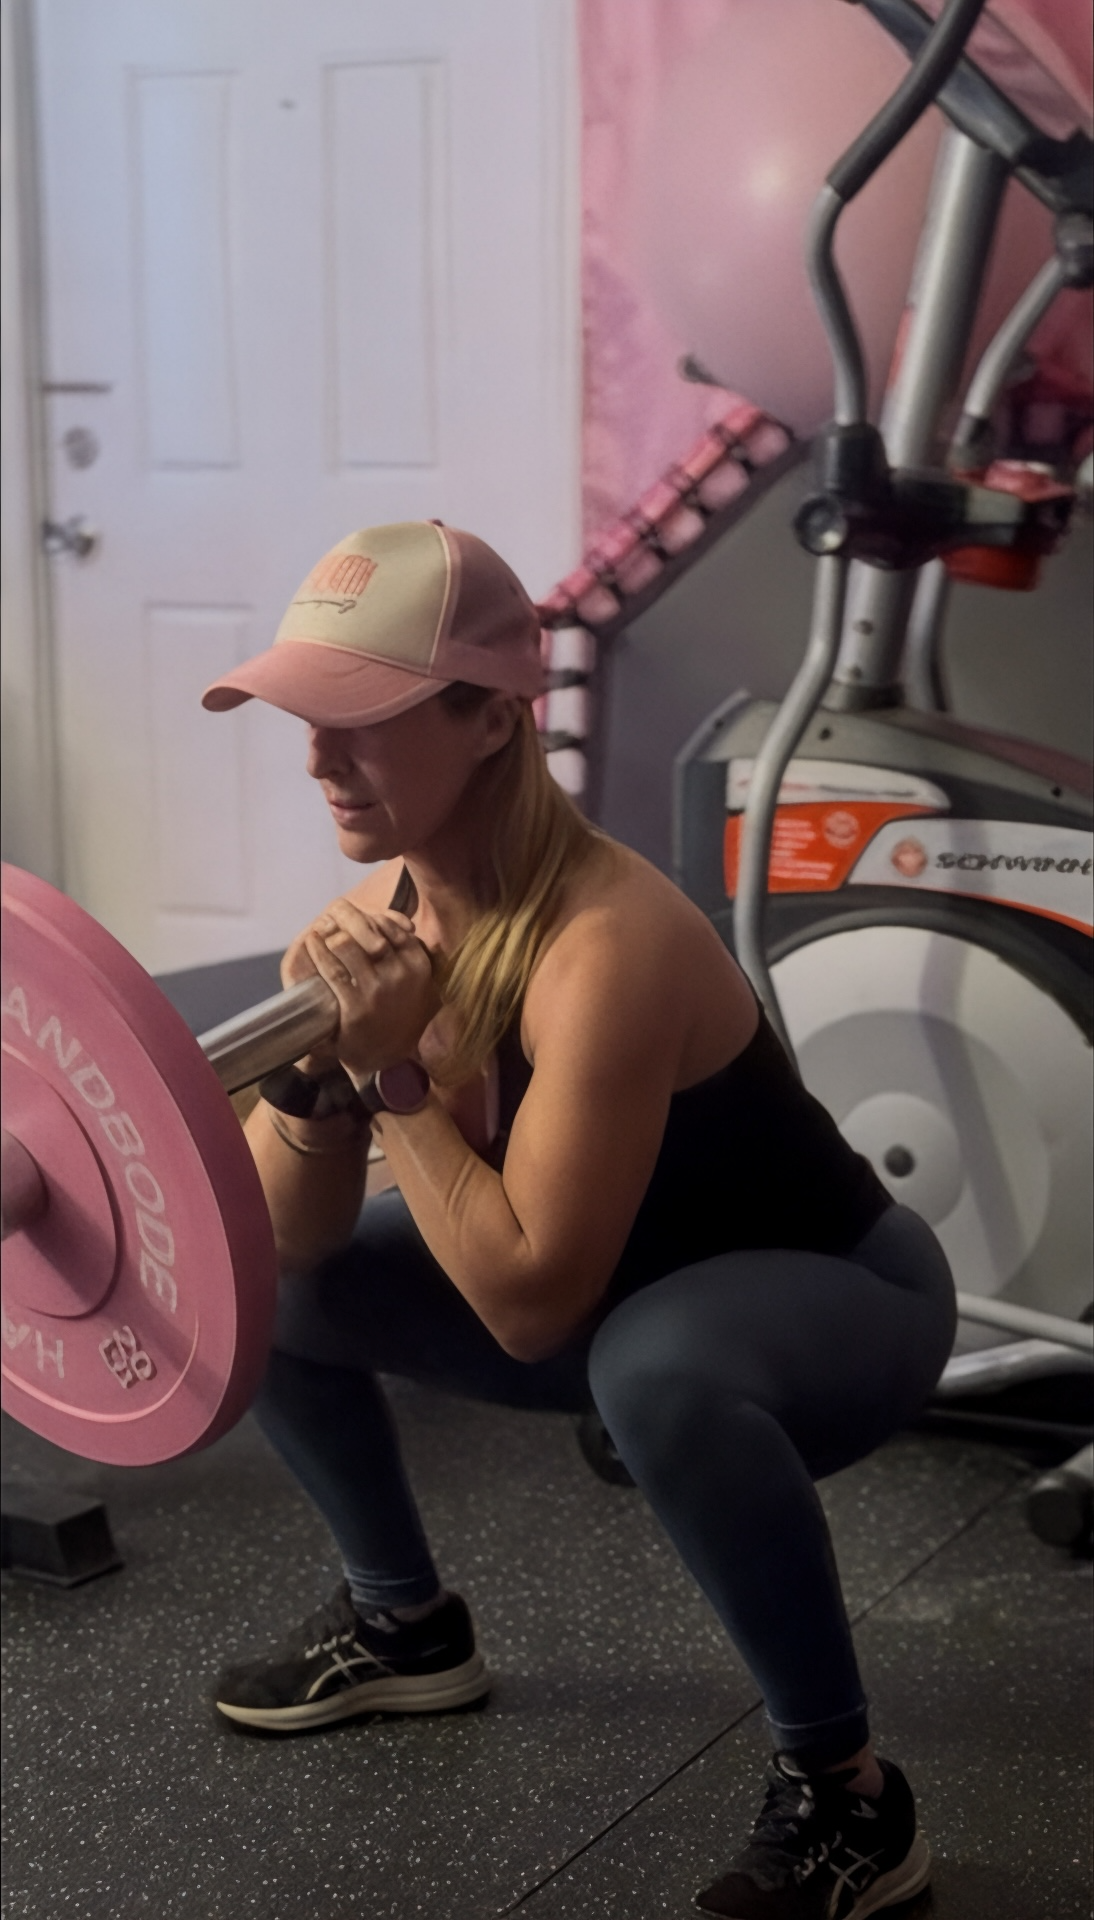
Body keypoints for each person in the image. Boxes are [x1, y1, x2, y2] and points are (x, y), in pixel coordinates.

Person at [201, 519, 956, 1920]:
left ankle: (849, 1799)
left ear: (493, 718)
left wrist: (392, 1073)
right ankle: (402, 1623)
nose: (317, 762)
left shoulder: (606, 944)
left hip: (836, 1302)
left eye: (358, 724)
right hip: (618, 1305)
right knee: (268, 1293)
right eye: (306, 721)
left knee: (650, 1367)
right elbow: (280, 1239)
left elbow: (533, 1301)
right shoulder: (376, 919)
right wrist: (317, 1089)